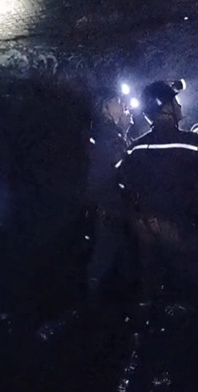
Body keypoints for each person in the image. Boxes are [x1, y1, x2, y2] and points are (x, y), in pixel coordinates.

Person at [118, 80, 198, 306]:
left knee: (152, 291)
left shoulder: (134, 149)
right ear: (166, 108)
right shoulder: (193, 144)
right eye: (175, 101)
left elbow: (126, 187)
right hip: (181, 229)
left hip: (146, 230)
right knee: (191, 291)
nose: (179, 105)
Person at [85, 87, 133, 296]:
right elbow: (119, 163)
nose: (122, 104)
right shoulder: (105, 132)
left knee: (112, 251)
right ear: (105, 107)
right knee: (104, 252)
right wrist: (123, 130)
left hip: (108, 200)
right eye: (117, 101)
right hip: (107, 201)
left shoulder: (106, 131)